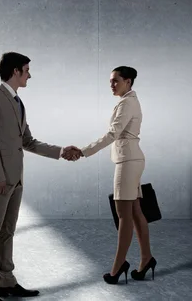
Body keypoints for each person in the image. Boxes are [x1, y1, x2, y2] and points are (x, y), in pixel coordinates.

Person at [0, 52, 80, 300]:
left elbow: (27, 141)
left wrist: (61, 151)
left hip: (16, 179)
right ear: (15, 71)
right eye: (27, 70)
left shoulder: (19, 103)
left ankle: (6, 283)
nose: (30, 74)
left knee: (7, 232)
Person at [65, 66, 156, 285]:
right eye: (110, 81)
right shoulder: (129, 101)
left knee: (123, 214)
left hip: (128, 161)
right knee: (134, 211)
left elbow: (113, 134)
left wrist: (84, 151)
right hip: (132, 159)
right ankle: (146, 259)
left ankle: (118, 267)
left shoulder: (127, 103)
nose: (112, 84)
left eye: (116, 80)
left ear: (128, 81)